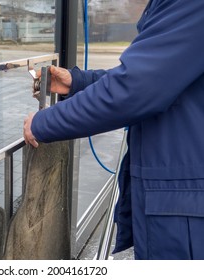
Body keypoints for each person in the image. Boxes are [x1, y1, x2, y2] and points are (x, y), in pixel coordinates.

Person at [23, 0, 204, 260]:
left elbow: (136, 88)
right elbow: (154, 74)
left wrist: (42, 123)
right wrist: (78, 82)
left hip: (187, 202)